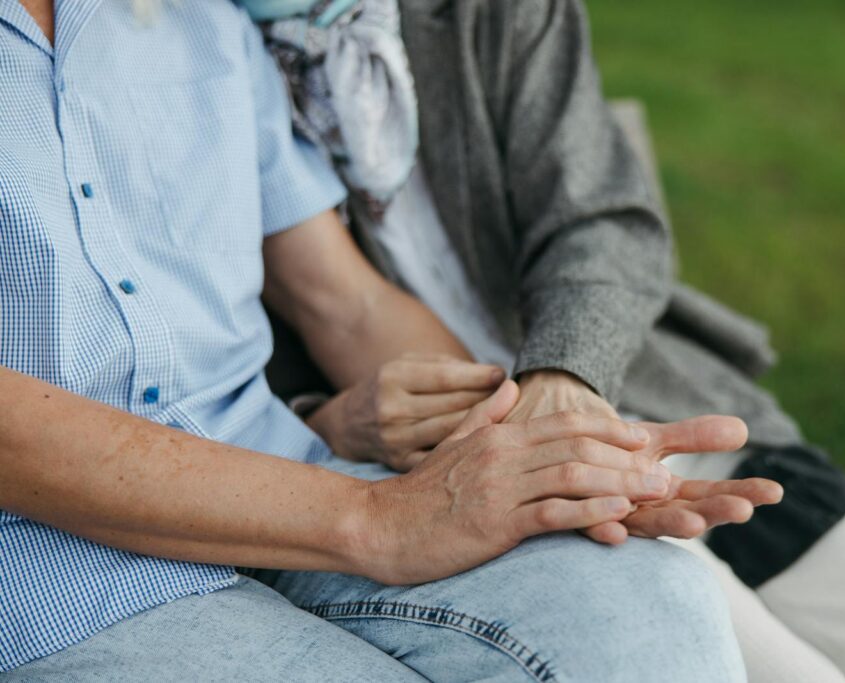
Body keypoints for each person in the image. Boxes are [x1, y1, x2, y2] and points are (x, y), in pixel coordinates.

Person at [0, 1, 787, 680]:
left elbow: (343, 301)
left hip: (288, 475)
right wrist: (376, 519)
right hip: (54, 568)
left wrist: (550, 450)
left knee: (650, 610)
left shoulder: (201, 17)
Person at [254, 0, 845, 681]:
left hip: (641, 398)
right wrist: (323, 416)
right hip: (452, 489)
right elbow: (185, 361)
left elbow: (605, 221)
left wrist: (566, 373)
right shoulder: (195, 56)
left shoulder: (485, 12)